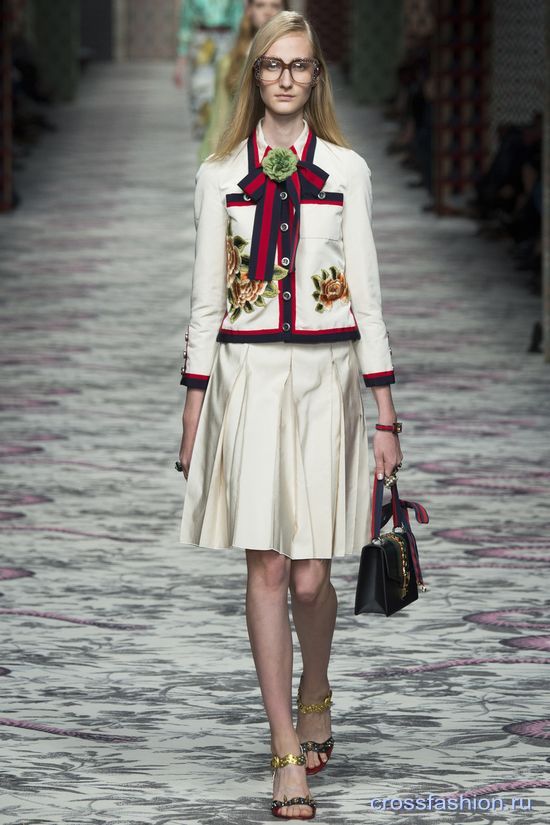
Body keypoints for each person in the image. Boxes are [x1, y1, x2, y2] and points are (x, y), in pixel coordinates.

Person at [177, 11, 402, 820]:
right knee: (268, 565)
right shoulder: (218, 176)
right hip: (248, 379)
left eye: (299, 65)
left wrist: (385, 414)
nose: (285, 78)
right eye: (273, 65)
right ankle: (283, 747)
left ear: (316, 78)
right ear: (255, 74)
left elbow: (367, 296)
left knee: (313, 574)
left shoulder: (346, 170)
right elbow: (206, 302)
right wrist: (194, 406)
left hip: (326, 381)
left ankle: (316, 684)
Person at [199, 0, 288, 163]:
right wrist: (215, 159)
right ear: (249, 10)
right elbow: (221, 117)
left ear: (285, 10)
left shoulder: (300, 63)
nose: (268, 12)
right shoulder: (229, 64)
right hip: (241, 153)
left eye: (275, 6)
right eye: (260, 5)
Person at [173, 0, 244, 138]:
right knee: (200, 85)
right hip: (202, 39)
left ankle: (223, 127)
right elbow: (186, 23)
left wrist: (240, 48)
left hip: (227, 39)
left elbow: (238, 18)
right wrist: (181, 60)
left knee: (226, 83)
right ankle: (204, 130)